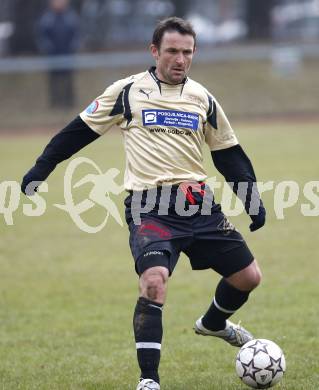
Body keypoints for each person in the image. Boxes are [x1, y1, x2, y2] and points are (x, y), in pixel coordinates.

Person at [22, 17, 266, 390]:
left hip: (198, 205)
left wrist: (251, 199)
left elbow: (229, 154)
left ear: (194, 53)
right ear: (154, 51)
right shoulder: (128, 91)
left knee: (248, 278)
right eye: (171, 51)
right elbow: (78, 131)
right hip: (149, 207)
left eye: (186, 52)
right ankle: (149, 380)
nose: (179, 59)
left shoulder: (203, 98)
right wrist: (43, 166)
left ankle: (213, 324)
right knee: (154, 281)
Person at [36, 0, 80, 108]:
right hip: (53, 57)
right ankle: (55, 104)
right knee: (54, 81)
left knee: (68, 81)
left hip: (68, 56)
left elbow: (77, 35)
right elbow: (42, 37)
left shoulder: (71, 18)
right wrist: (48, 49)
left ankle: (69, 104)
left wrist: (72, 48)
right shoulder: (47, 19)